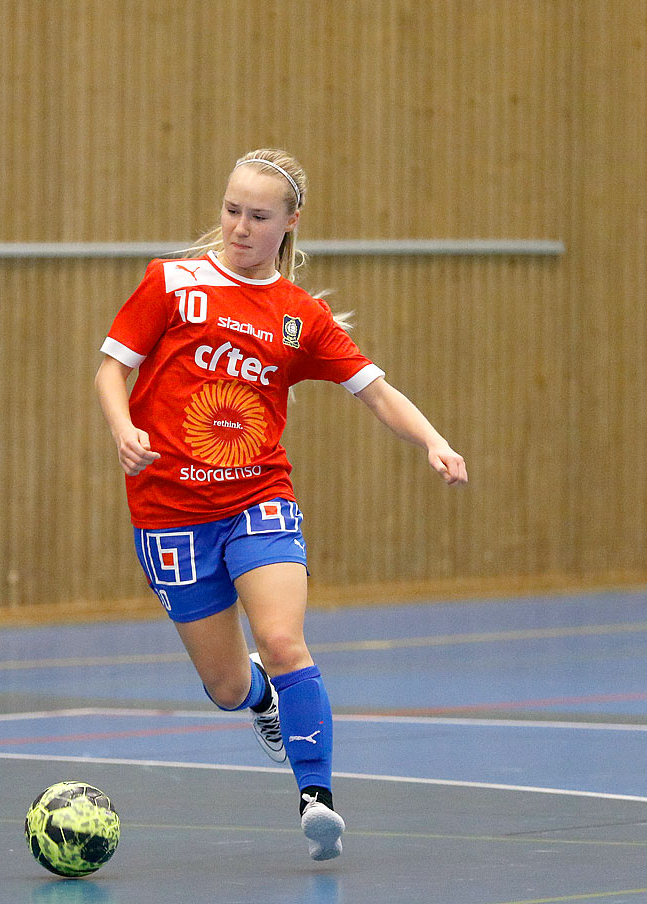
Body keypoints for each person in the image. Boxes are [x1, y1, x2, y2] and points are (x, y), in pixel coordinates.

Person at [94, 148, 468, 861]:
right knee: (226, 682)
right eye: (231, 209)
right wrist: (124, 429)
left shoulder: (299, 318)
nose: (238, 226)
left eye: (257, 216)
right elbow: (114, 367)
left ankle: (316, 795)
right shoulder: (171, 284)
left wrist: (434, 441)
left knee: (285, 638)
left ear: (289, 223)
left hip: (258, 498)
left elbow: (377, 390)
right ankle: (261, 703)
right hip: (169, 513)